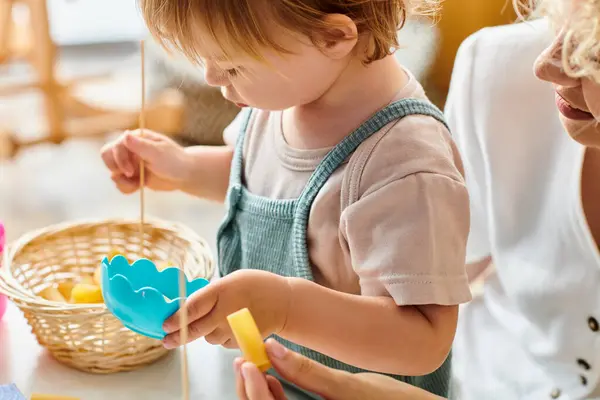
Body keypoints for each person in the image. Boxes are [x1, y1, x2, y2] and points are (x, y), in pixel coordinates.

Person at [100, 0, 473, 397]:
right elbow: (264, 175)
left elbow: (424, 341)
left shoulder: (405, 164)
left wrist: (286, 308)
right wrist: (185, 169)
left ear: (333, 37)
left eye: (232, 66)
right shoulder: (284, 96)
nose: (210, 77)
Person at [445, 0, 600, 398]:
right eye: (562, 15)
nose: (546, 64)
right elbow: (438, 280)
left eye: (594, 55)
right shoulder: (494, 68)